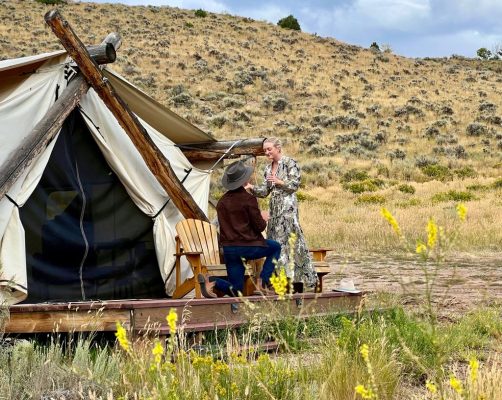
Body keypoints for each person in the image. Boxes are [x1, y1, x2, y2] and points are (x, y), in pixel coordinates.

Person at [198, 160, 281, 298]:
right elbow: (260, 226)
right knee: (275, 247)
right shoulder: (249, 199)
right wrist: (263, 217)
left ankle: (212, 281)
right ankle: (263, 283)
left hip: (230, 250)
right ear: (245, 179)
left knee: (237, 290)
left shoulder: (222, 202)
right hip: (248, 246)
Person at [245, 137, 317, 291]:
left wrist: (280, 181)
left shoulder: (290, 163)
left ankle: (298, 280)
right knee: (275, 243)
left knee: (291, 243)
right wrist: (252, 187)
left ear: (278, 148)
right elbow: (265, 191)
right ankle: (279, 281)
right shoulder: (267, 168)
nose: (267, 152)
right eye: (265, 150)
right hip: (275, 210)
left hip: (288, 210)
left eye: (269, 149)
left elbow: (295, 185)